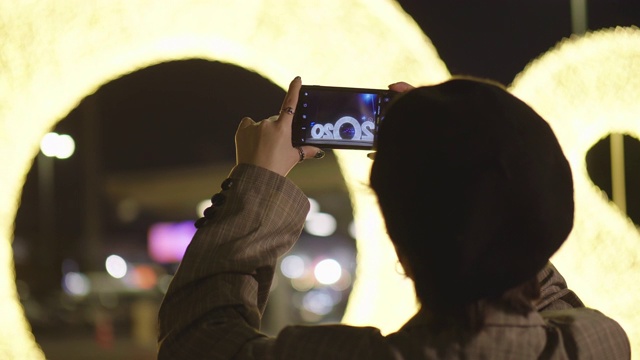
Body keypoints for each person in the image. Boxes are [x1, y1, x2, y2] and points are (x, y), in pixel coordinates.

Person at [157, 76, 630, 359]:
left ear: (398, 245)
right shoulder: (597, 343)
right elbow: (550, 291)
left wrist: (257, 180)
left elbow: (199, 344)